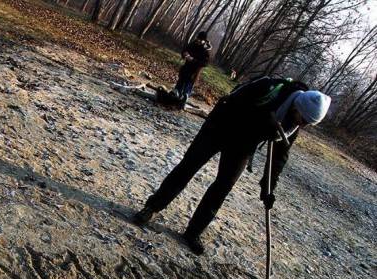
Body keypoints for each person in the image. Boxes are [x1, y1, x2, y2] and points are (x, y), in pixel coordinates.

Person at [131, 76, 332, 255]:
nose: (303, 125)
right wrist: (260, 121)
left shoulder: (293, 123)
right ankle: (152, 207)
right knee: (187, 168)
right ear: (299, 107)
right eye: (304, 120)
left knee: (223, 186)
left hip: (243, 146)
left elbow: (280, 154)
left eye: (308, 124)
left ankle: (193, 232)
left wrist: (268, 188)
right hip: (219, 127)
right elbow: (231, 102)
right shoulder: (269, 88)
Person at [170, 31, 212, 109]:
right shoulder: (193, 44)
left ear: (204, 40)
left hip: (194, 72)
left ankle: (183, 101)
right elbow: (184, 50)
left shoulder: (205, 50)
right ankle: (174, 97)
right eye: (198, 39)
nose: (198, 41)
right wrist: (185, 54)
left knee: (187, 88)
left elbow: (205, 63)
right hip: (185, 68)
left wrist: (193, 60)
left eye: (200, 40)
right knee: (179, 84)